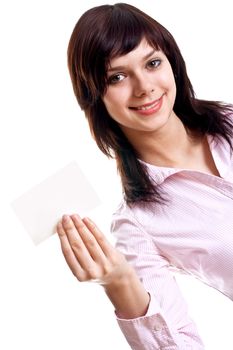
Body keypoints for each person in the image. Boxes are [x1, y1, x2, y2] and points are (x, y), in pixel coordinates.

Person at [56, 3, 233, 349]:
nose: (144, 87)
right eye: (117, 77)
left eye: (152, 63)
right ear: (94, 96)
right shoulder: (137, 223)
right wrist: (120, 283)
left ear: (172, 63)